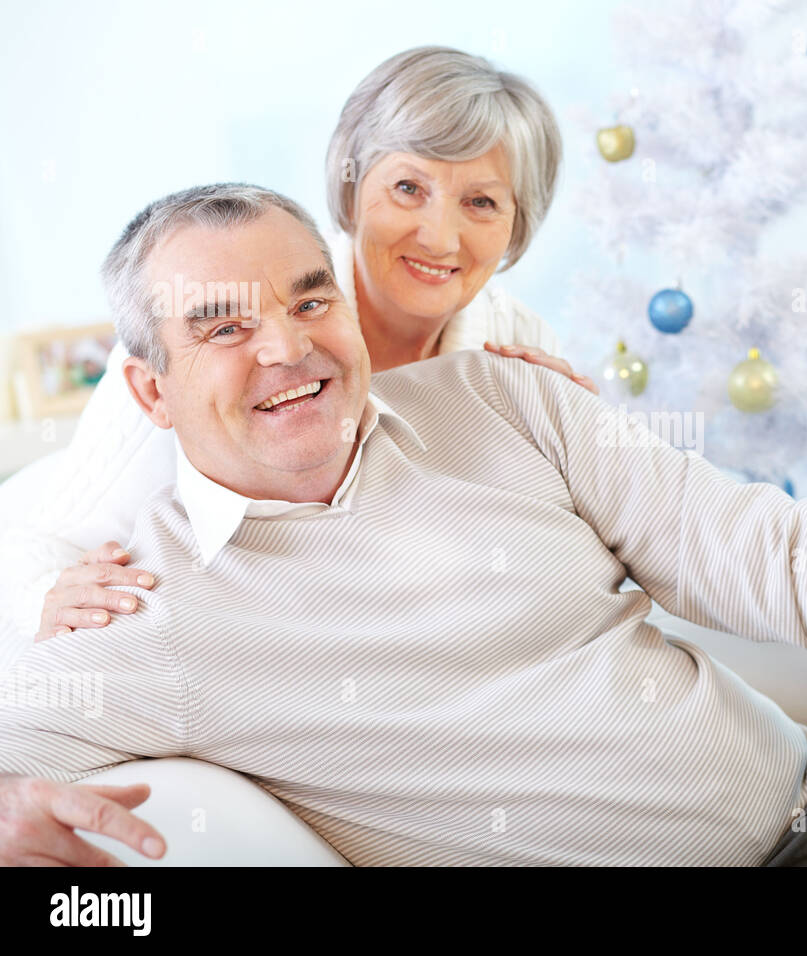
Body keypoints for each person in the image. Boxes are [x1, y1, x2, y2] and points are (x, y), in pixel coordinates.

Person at [1, 184, 807, 867]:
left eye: (306, 300)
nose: (286, 347)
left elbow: (783, 560)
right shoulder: (149, 615)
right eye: (224, 326)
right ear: (150, 388)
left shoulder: (497, 401)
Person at [0, 46, 591, 648]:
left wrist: (569, 443)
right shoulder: (196, 356)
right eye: (409, 188)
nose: (440, 236)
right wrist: (45, 598)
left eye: (481, 202)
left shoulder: (517, 344)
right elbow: (39, 545)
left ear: (518, 223)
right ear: (351, 191)